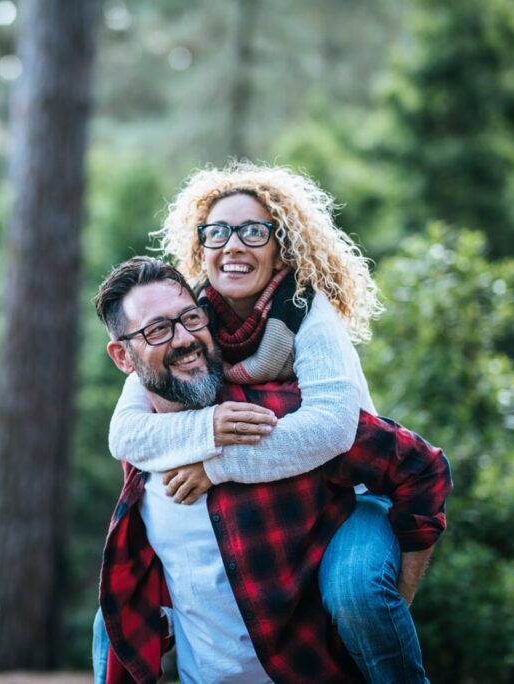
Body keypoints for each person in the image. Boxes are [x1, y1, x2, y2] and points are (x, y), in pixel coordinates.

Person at [92, 256, 451, 683]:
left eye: (191, 318)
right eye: (157, 329)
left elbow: (422, 467)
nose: (185, 338)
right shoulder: (140, 448)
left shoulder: (272, 415)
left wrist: (395, 599)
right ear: (123, 357)